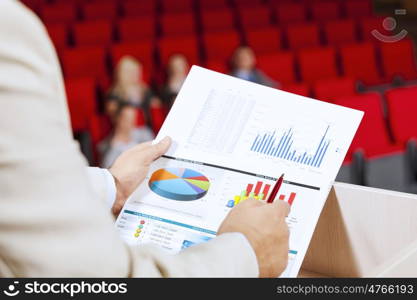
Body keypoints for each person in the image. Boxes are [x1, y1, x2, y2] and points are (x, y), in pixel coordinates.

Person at [0, 0, 289, 277]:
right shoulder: (9, 30)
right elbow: (100, 280)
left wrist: (111, 185)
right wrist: (246, 251)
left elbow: (11, 190)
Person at [105, 55, 160, 125]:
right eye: (132, 72)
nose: (136, 74)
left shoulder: (145, 89)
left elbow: (155, 105)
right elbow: (111, 113)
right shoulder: (115, 93)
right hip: (126, 127)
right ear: (123, 73)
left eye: (137, 71)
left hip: (146, 125)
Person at [99, 103, 154, 168]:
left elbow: (153, 152)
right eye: (127, 118)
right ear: (118, 119)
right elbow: (107, 168)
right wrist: (114, 145)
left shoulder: (144, 133)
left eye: (133, 118)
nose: (131, 122)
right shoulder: (108, 145)